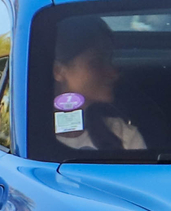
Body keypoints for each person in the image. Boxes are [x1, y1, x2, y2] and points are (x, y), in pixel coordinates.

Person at [52, 16, 148, 152]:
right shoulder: (23, 137)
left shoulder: (124, 135)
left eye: (109, 60)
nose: (113, 72)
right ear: (58, 70)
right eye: (96, 62)